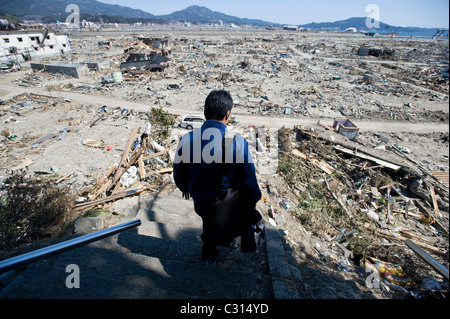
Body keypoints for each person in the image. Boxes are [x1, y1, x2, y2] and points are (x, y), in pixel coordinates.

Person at [173, 90, 262, 265]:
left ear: (205, 112)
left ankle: (209, 252)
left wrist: (187, 189)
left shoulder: (187, 139)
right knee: (238, 213)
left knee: (208, 219)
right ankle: (224, 239)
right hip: (225, 205)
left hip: (200, 202)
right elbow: (249, 180)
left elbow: (179, 173)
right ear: (227, 114)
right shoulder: (236, 141)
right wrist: (253, 200)